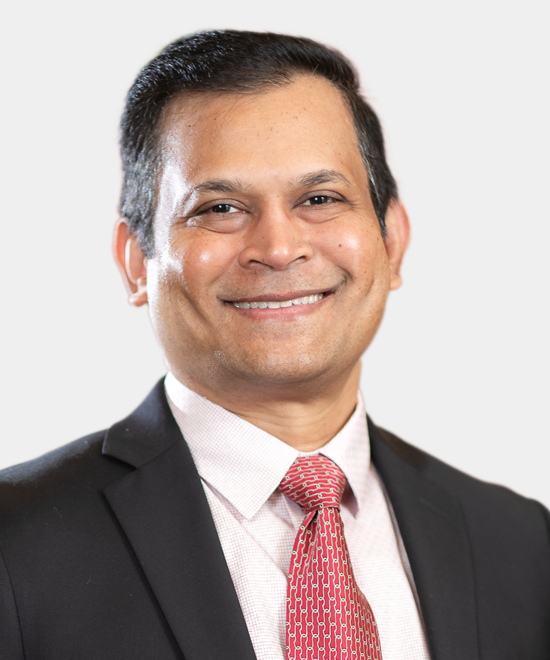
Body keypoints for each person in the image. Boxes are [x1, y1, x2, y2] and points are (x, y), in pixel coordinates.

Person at [0, 29, 548, 660]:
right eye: (220, 208)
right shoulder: (16, 543)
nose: (280, 249)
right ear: (135, 263)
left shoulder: (520, 545)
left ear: (392, 241)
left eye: (320, 199)